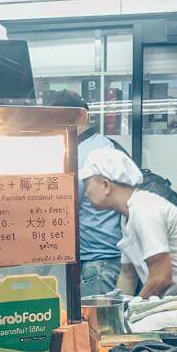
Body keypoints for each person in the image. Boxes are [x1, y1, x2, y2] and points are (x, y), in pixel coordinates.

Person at [42, 89, 124, 296]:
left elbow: (63, 205)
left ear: (78, 116)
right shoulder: (103, 145)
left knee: (95, 327)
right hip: (99, 258)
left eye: (54, 120)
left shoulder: (88, 153)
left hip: (98, 260)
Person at [79, 146, 177, 298]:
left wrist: (135, 307)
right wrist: (116, 308)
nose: (86, 192)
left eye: (87, 184)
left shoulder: (145, 209)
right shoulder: (127, 216)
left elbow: (161, 277)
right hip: (167, 301)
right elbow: (128, 274)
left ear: (105, 185)